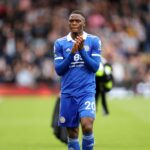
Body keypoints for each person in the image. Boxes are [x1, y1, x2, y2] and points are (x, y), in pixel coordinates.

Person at [53, 10, 101, 150]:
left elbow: (95, 67)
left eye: (77, 20)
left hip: (86, 92)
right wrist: (72, 53)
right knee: (72, 133)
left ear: (84, 23)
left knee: (87, 125)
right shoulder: (60, 43)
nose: (74, 23)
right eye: (71, 21)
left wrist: (82, 51)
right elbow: (59, 70)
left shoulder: (93, 41)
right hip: (68, 94)